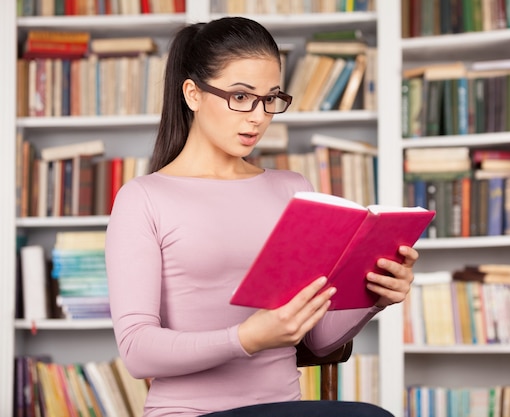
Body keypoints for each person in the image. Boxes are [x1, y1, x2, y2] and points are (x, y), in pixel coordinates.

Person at [105, 16, 418, 417]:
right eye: (241, 96)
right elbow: (137, 351)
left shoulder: (292, 188)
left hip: (282, 407)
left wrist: (374, 296)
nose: (258, 116)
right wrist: (246, 338)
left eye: (271, 99)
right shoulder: (143, 198)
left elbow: (320, 340)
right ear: (193, 94)